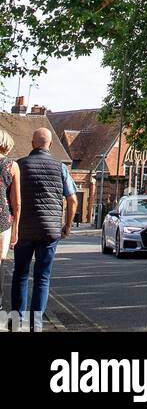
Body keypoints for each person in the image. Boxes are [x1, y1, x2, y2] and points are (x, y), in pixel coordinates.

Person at [10, 127, 77, 332]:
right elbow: (73, 199)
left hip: (23, 229)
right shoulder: (60, 168)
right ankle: (35, 325)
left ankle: (15, 321)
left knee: (20, 274)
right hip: (49, 230)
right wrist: (67, 225)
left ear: (32, 144)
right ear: (51, 145)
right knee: (42, 277)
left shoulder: (19, 166)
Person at [0, 126, 21, 307]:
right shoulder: (12, 166)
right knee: (0, 262)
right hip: (2, 220)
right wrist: (16, 230)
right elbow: (17, 203)